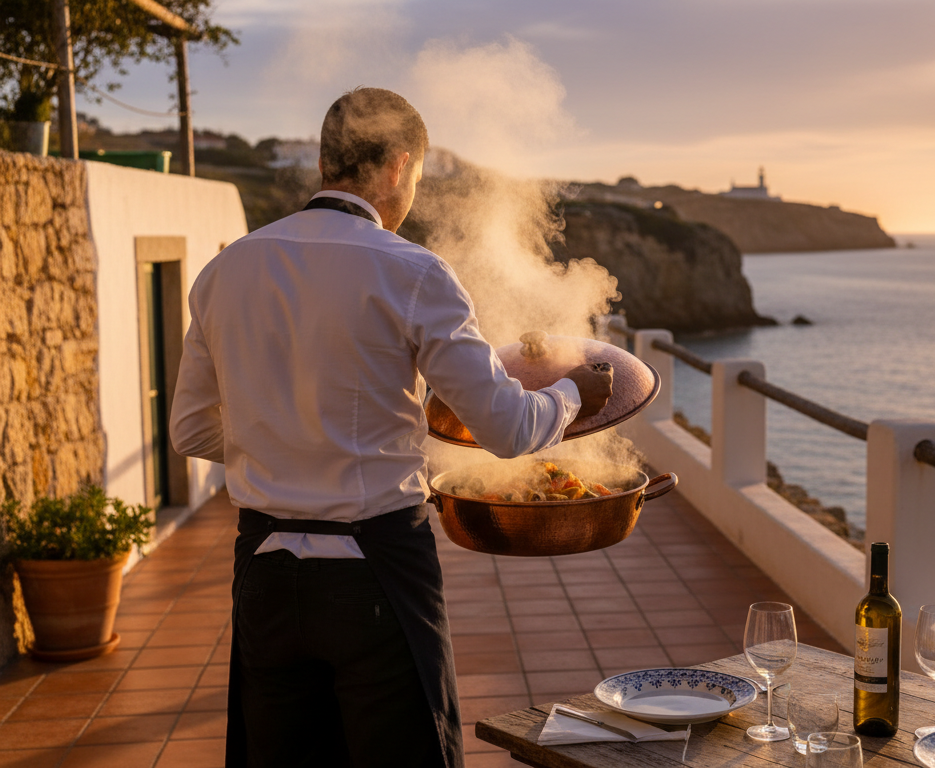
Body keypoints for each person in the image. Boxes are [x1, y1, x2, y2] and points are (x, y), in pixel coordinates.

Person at [169, 87, 613, 768]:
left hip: (263, 573)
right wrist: (573, 393)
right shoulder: (410, 270)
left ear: (325, 162)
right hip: (374, 574)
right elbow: (507, 429)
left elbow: (191, 431)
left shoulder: (228, 268)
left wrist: (286, 439)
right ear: (401, 165)